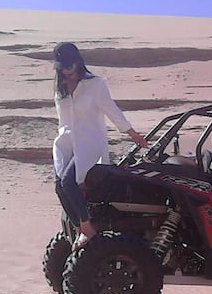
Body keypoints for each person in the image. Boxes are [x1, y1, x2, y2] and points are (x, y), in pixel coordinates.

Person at [51, 42, 148, 250]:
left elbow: (112, 110)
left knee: (68, 182)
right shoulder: (60, 89)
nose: (67, 71)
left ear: (78, 62)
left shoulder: (95, 84)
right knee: (59, 186)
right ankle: (79, 228)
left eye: (70, 66)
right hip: (66, 144)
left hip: (90, 144)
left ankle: (88, 228)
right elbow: (63, 122)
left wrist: (131, 133)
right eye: (63, 67)